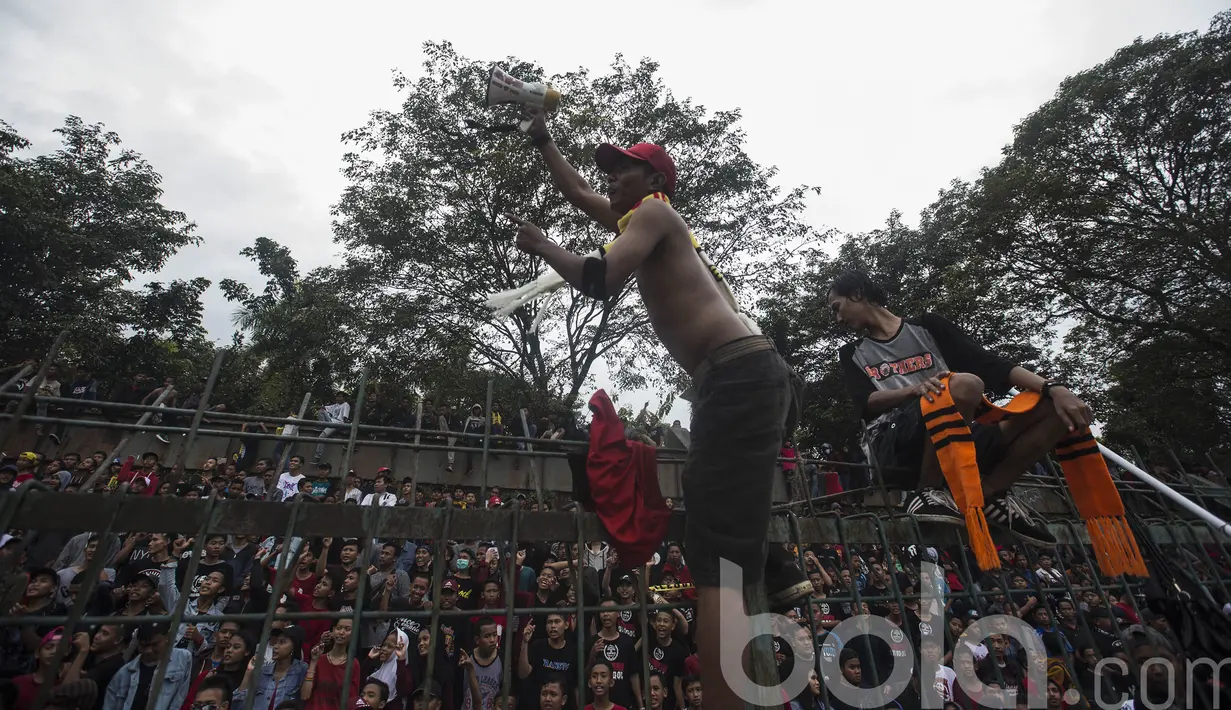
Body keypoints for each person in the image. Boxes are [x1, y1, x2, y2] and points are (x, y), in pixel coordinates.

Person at [515, 106, 807, 710]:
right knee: (713, 511)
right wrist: (541, 135)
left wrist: (542, 244)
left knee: (715, 561)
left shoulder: (652, 215)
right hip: (734, 378)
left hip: (739, 375)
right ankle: (775, 572)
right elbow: (574, 190)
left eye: (626, 169)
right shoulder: (643, 218)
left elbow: (598, 279)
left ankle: (735, 681)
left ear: (655, 182)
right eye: (613, 170)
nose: (614, 178)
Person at [830, 269, 1079, 545]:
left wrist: (1054, 389)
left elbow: (989, 363)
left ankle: (990, 492)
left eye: (837, 308)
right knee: (964, 386)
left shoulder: (927, 327)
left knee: (1057, 410)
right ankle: (928, 490)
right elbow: (865, 404)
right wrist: (914, 390)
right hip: (895, 442)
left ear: (857, 294)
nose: (838, 319)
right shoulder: (853, 353)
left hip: (955, 435)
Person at [102, 623, 193, 710]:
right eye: (144, 645)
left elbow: (180, 698)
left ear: (167, 638)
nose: (148, 650)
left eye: (154, 645)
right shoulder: (124, 674)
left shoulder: (182, 658)